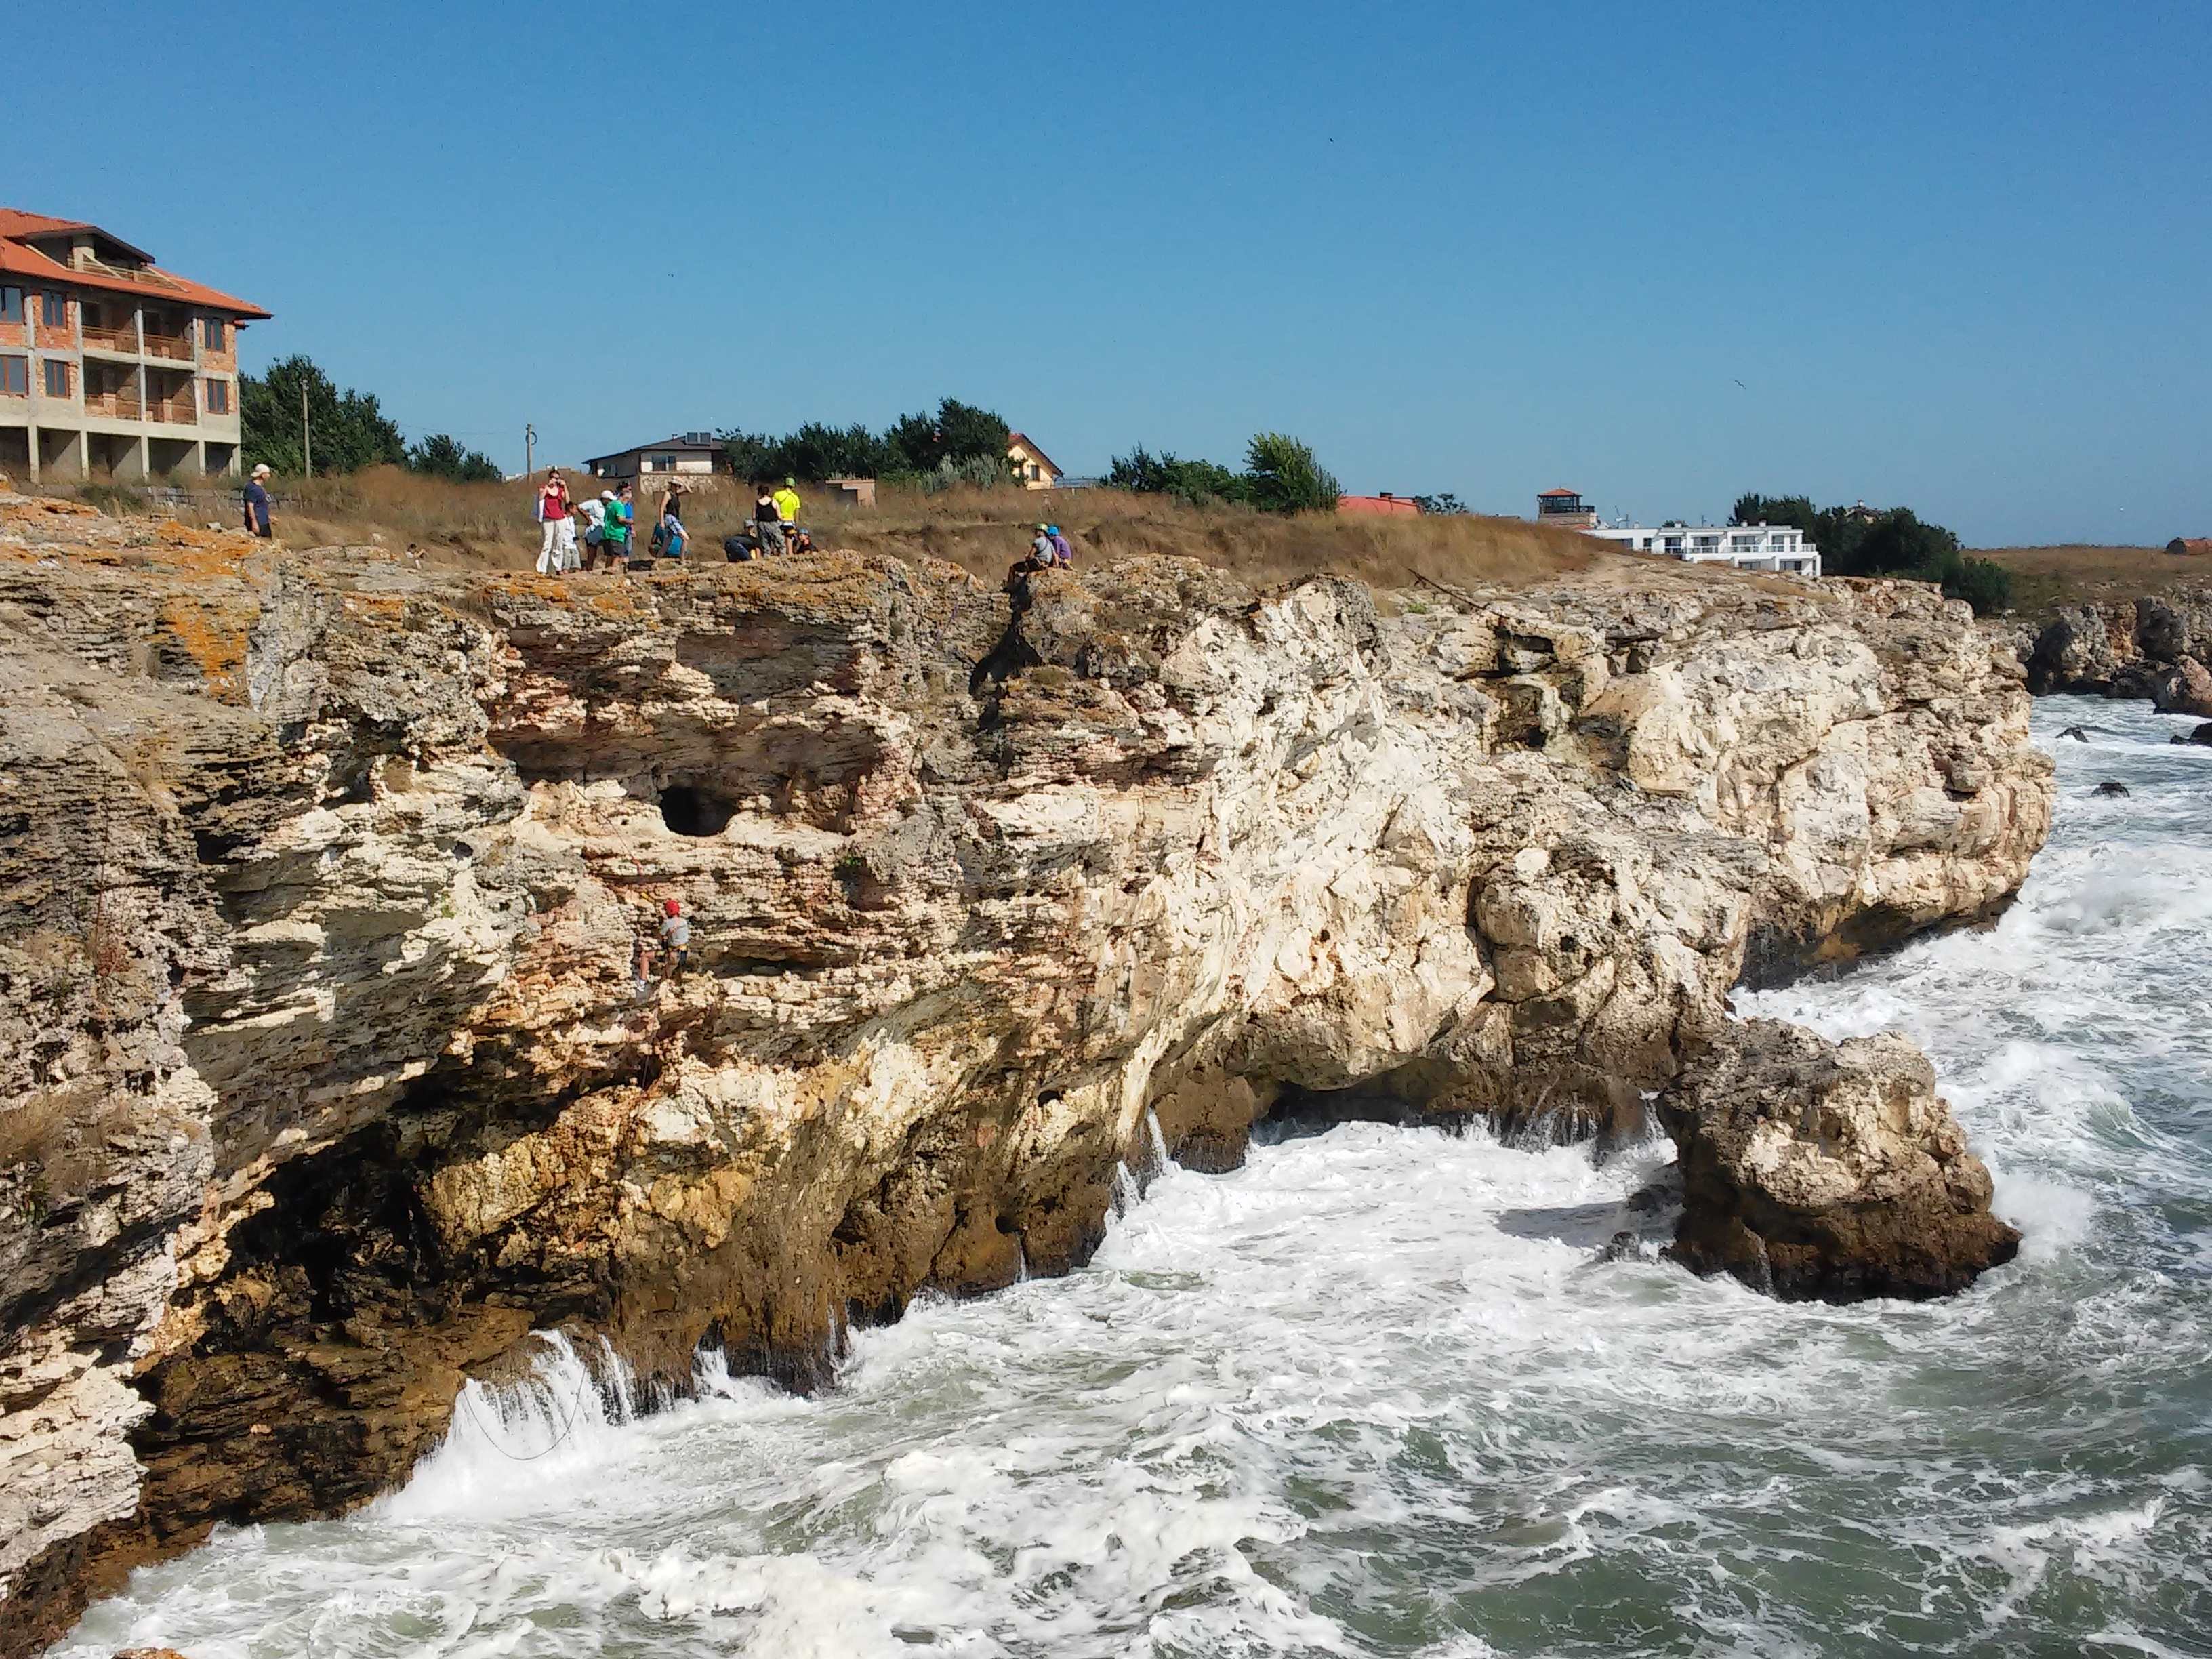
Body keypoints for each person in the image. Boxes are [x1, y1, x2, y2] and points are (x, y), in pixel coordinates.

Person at [535, 469, 574, 575]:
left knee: (558, 543)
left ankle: (558, 567)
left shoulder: (560, 490)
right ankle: (542, 568)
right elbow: (541, 497)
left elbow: (568, 501)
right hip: (548, 519)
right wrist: (548, 486)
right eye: (553, 478)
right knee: (547, 544)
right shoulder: (544, 487)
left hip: (559, 519)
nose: (555, 480)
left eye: (557, 478)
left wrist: (565, 487)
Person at [602, 483, 635, 571]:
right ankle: (612, 571)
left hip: (607, 534)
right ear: (623, 497)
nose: (626, 501)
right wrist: (630, 521)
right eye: (626, 499)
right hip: (616, 534)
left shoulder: (610, 505)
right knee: (618, 556)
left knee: (610, 556)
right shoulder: (619, 505)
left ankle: (606, 572)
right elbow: (620, 519)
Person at [659, 898, 690, 976]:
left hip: (674, 952)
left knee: (646, 956)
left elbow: (661, 934)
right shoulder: (684, 921)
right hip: (684, 952)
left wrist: (664, 921)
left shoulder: (667, 923)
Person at [242, 463, 274, 538]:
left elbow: (260, 506)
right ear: (262, 475)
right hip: (258, 523)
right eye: (267, 474)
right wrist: (254, 523)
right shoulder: (251, 488)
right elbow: (250, 506)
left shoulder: (260, 488)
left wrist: (268, 517)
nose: (269, 476)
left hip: (264, 522)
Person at [753, 485, 787, 556]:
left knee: (765, 547)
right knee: (781, 545)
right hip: (773, 524)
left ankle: (766, 559)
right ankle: (783, 558)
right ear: (768, 492)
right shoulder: (773, 501)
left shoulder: (756, 503)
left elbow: (754, 517)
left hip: (761, 525)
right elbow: (779, 516)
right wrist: (783, 518)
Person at [772, 476, 802, 544]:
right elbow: (796, 514)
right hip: (790, 522)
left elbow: (773, 508)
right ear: (793, 487)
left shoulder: (777, 495)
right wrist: (796, 526)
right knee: (789, 541)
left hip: (779, 521)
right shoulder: (796, 498)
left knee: (779, 542)